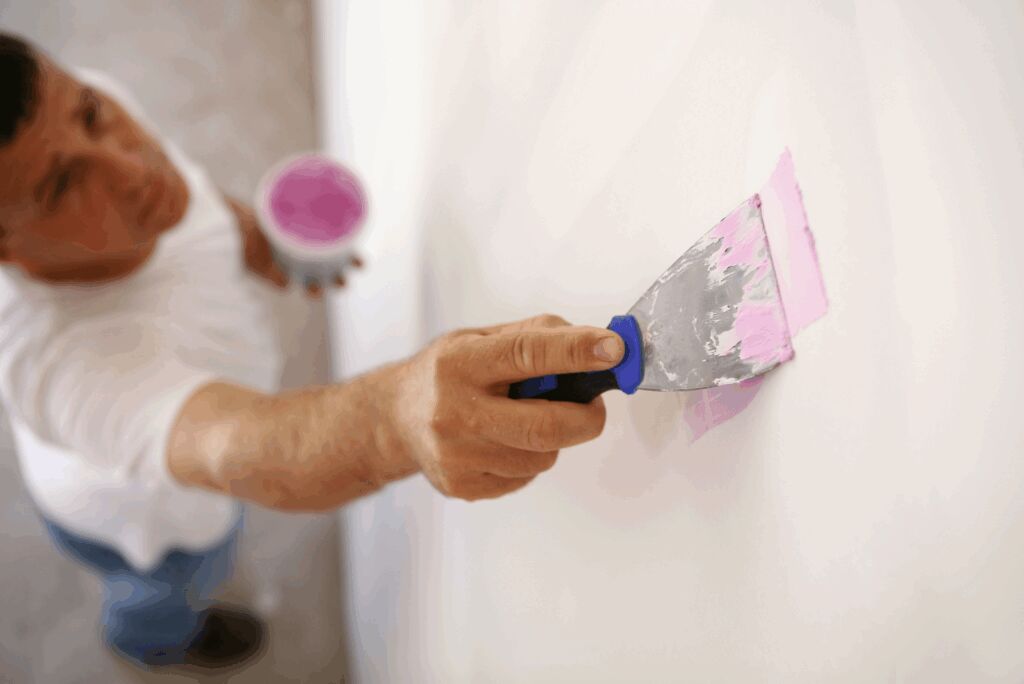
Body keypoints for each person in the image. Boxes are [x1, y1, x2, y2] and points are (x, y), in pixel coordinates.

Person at [0, 33, 623, 674]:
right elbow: (245, 443)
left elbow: (187, 197)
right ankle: (154, 641)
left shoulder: (75, 106)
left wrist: (249, 236)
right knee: (174, 583)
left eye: (91, 115)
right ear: (7, 251)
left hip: (179, 467)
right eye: (59, 187)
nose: (133, 169)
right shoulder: (60, 367)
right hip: (143, 524)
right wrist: (394, 420)